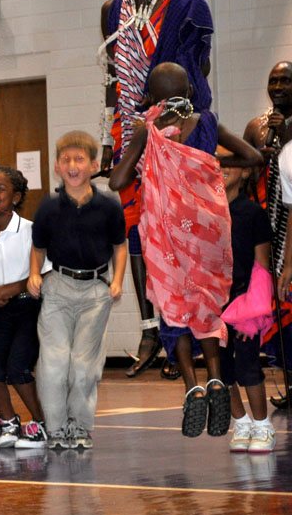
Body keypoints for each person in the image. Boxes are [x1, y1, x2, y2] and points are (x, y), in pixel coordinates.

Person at [109, 62, 262, 438]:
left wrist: (150, 156)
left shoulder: (150, 129)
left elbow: (118, 180)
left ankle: (192, 383)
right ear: (189, 91)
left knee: (174, 305)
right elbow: (254, 158)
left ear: (152, 95)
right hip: (207, 229)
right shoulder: (207, 122)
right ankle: (214, 378)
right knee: (207, 303)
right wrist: (210, 161)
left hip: (167, 231)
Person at [99, 0, 214, 377]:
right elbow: (113, 79)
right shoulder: (112, 10)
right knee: (137, 227)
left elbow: (199, 68)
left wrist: (176, 114)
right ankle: (152, 330)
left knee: (178, 226)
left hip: (175, 128)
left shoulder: (188, 4)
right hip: (131, 129)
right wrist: (112, 139)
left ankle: (182, 327)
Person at [28, 131, 127, 450]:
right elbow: (38, 247)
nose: (72, 165)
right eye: (66, 160)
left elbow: (120, 245)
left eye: (79, 159)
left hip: (96, 292)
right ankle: (56, 428)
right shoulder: (49, 206)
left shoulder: (108, 204)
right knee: (55, 363)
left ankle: (80, 426)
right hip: (58, 288)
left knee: (84, 366)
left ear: (94, 164)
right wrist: (33, 274)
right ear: (57, 166)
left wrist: (117, 280)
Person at [0, 167, 49, 448]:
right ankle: (9, 422)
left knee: (18, 368)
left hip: (30, 308)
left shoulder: (29, 231)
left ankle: (41, 422)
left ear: (15, 197)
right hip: (0, 310)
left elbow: (44, 272)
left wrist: (11, 289)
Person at [221, 153, 277, 453]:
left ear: (245, 173)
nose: (223, 169)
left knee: (247, 366)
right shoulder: (207, 210)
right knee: (221, 369)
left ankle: (262, 426)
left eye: (230, 164)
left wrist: (252, 313)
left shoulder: (252, 212)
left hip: (244, 303)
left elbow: (261, 266)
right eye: (217, 165)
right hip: (214, 304)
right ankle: (240, 423)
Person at [244, 61, 292, 409]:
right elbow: (245, 173)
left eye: (286, 80)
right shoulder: (257, 127)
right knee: (277, 307)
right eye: (273, 80)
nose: (278, 86)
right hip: (267, 225)